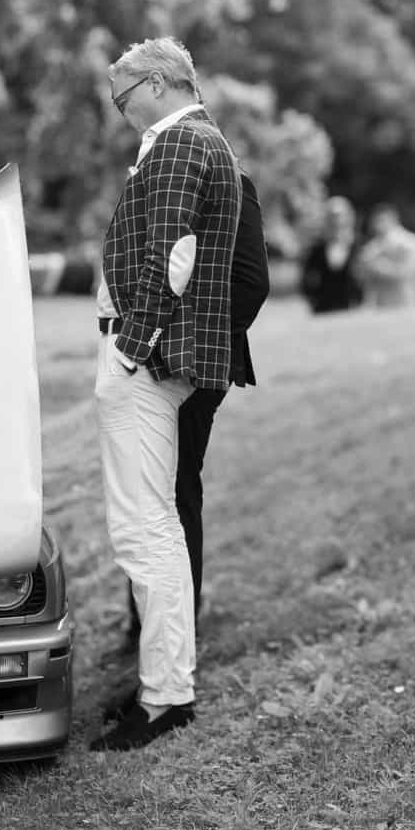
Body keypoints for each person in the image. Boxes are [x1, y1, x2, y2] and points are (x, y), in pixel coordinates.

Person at [90, 37, 240, 753]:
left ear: (154, 84)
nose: (121, 112)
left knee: (144, 531)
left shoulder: (180, 143)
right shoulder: (206, 141)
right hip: (164, 358)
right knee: (155, 529)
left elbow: (169, 253)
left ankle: (166, 698)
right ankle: (165, 687)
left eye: (122, 97)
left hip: (147, 359)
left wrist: (129, 347)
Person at [111, 168, 270, 696]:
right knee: (142, 494)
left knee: (175, 494)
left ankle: (174, 639)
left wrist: (191, 350)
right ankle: (145, 623)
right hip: (139, 363)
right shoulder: (154, 180)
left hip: (194, 368)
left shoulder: (230, 182)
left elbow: (251, 283)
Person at [300, 196, 362, 314]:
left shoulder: (359, 245)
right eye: (331, 216)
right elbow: (306, 279)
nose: (336, 220)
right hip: (323, 309)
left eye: (339, 216)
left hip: (353, 309)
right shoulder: (316, 248)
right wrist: (314, 300)